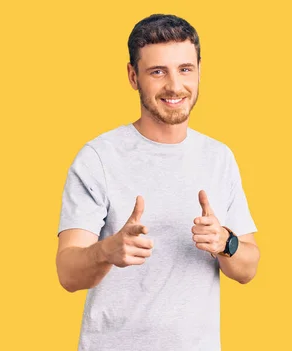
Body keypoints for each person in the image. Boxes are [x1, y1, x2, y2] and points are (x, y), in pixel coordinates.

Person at [55, 14, 260, 351]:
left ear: (199, 71)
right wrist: (106, 251)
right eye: (157, 71)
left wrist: (226, 242)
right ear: (133, 76)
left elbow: (247, 267)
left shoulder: (219, 157)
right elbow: (67, 273)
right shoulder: (98, 158)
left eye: (185, 69)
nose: (175, 86)